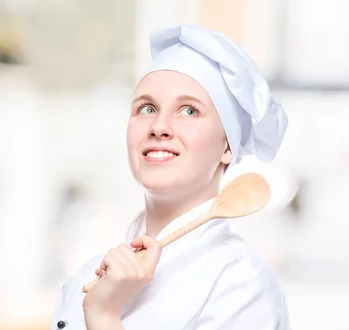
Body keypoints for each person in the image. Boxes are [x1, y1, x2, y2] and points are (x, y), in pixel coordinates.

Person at [51, 25, 290, 329]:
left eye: (189, 111)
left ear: (228, 146)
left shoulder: (241, 283)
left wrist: (104, 316)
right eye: (147, 108)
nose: (159, 126)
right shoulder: (84, 281)